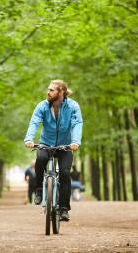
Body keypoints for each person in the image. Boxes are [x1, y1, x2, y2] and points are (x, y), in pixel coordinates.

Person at [24, 79, 83, 221]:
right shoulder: (42, 106)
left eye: (51, 90)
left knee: (64, 173)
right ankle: (39, 190)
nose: (48, 92)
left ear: (61, 92)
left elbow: (77, 124)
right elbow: (34, 122)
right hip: (46, 144)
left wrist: (75, 142)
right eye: (48, 89)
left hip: (65, 146)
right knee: (41, 159)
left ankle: (63, 208)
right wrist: (29, 139)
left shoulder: (73, 106)